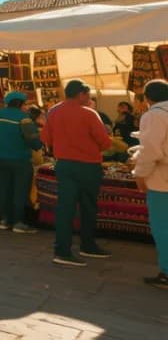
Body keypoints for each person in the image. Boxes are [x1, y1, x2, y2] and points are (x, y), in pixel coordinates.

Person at [42, 80, 113, 266]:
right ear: (81, 94)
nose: (89, 99)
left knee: (65, 208)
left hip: (64, 164)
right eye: (87, 95)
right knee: (88, 207)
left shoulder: (53, 111)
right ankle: (87, 245)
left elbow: (46, 138)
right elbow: (105, 143)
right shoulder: (89, 113)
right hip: (88, 165)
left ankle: (62, 250)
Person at [0, 92, 41, 234]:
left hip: (1, 160)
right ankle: (18, 222)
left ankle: (5, 220)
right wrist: (38, 145)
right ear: (20, 104)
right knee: (20, 192)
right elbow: (33, 141)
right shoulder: (24, 119)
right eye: (25, 104)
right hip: (20, 160)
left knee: (5, 190)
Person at [134, 79, 168, 289]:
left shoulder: (154, 115)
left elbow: (151, 151)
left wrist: (139, 174)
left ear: (147, 98)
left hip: (162, 180)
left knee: (163, 228)